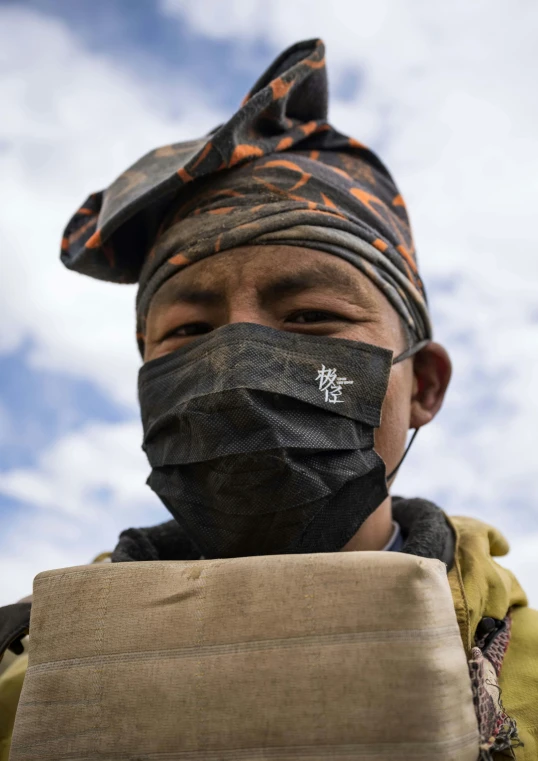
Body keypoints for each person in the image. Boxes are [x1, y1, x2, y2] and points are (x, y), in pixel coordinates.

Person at [1, 38, 537, 760]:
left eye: (312, 316)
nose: (234, 367)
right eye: (188, 330)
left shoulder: (520, 673)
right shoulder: (18, 675)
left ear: (425, 384)